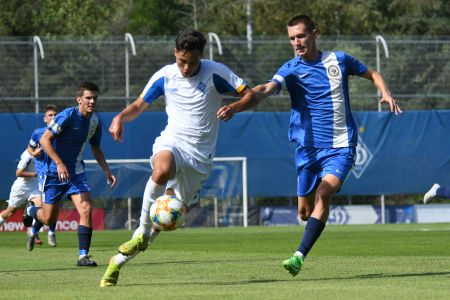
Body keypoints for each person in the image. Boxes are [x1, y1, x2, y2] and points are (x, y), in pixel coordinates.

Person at [100, 29, 256, 287]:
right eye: (182, 61)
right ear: (175, 53)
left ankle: (117, 263)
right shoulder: (165, 75)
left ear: (201, 57)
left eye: (192, 62)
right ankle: (141, 229)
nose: (186, 67)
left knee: (166, 218)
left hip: (199, 158)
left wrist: (233, 107)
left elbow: (249, 93)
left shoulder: (216, 72)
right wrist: (119, 118)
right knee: (161, 170)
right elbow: (139, 105)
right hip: (172, 142)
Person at [251, 15, 402, 277]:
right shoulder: (290, 68)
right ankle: (310, 226)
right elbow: (267, 87)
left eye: (301, 36)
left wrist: (385, 93)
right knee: (304, 212)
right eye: (292, 38)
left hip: (341, 145)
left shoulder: (340, 60)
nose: (296, 42)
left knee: (324, 193)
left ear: (314, 34)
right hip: (307, 149)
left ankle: (298, 256)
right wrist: (245, 94)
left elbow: (373, 73)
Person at [24, 81, 117, 267]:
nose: (92, 101)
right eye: (88, 98)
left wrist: (106, 170)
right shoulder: (66, 116)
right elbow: (45, 140)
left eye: (94, 98)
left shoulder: (95, 121)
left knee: (86, 209)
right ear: (79, 99)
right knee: (48, 219)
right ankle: (31, 210)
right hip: (53, 173)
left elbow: (96, 147)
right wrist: (59, 163)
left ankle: (83, 256)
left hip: (76, 171)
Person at [25, 105, 59, 249]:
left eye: (55, 115)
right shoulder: (38, 133)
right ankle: (31, 212)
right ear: (45, 119)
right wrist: (34, 153)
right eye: (50, 115)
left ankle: (34, 231)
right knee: (48, 211)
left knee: (53, 209)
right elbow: (29, 148)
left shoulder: (62, 132)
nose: (53, 117)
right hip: (45, 175)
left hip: (61, 173)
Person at [0, 149, 43, 250]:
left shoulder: (44, 152)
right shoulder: (27, 155)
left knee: (40, 208)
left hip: (34, 186)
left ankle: (32, 233)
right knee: (9, 213)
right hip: (21, 188)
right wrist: (34, 174)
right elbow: (18, 173)